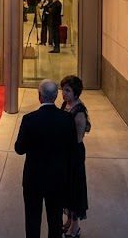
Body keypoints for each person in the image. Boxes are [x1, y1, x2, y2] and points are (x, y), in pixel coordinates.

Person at [14, 79, 78, 238]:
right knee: (55, 219)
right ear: (56, 96)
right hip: (57, 179)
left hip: (33, 179)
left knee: (32, 219)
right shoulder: (67, 119)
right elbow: (72, 149)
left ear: (39, 96)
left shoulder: (29, 119)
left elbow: (19, 149)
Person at [59, 75, 90, 237]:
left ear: (76, 93)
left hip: (74, 155)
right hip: (65, 153)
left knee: (74, 190)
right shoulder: (66, 104)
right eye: (63, 89)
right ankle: (69, 221)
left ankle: (75, 227)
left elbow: (78, 138)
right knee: (66, 188)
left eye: (68, 90)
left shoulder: (79, 111)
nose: (63, 93)